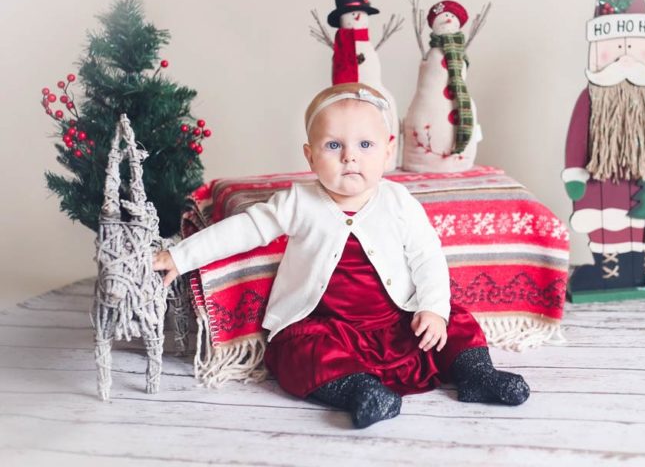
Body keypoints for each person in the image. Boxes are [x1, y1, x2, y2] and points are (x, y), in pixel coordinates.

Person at [153, 82, 529, 428]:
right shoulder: (299, 201)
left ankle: (477, 375)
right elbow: (246, 228)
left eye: (365, 145)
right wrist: (181, 256)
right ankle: (359, 392)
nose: (350, 157)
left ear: (387, 150)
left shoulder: (398, 201)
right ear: (311, 156)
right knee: (298, 353)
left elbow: (428, 256)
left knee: (455, 321)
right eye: (334, 146)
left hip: (396, 320)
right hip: (326, 325)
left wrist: (432, 308)